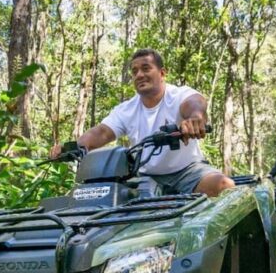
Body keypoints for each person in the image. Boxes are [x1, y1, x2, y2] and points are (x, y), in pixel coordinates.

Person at [50, 48, 235, 197]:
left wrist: (195, 118)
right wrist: (73, 147)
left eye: (146, 68)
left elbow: (195, 103)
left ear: (162, 73)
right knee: (101, 200)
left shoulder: (178, 95)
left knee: (224, 186)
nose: (139, 75)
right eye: (135, 71)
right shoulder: (126, 109)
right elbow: (102, 132)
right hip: (145, 177)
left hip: (187, 171)